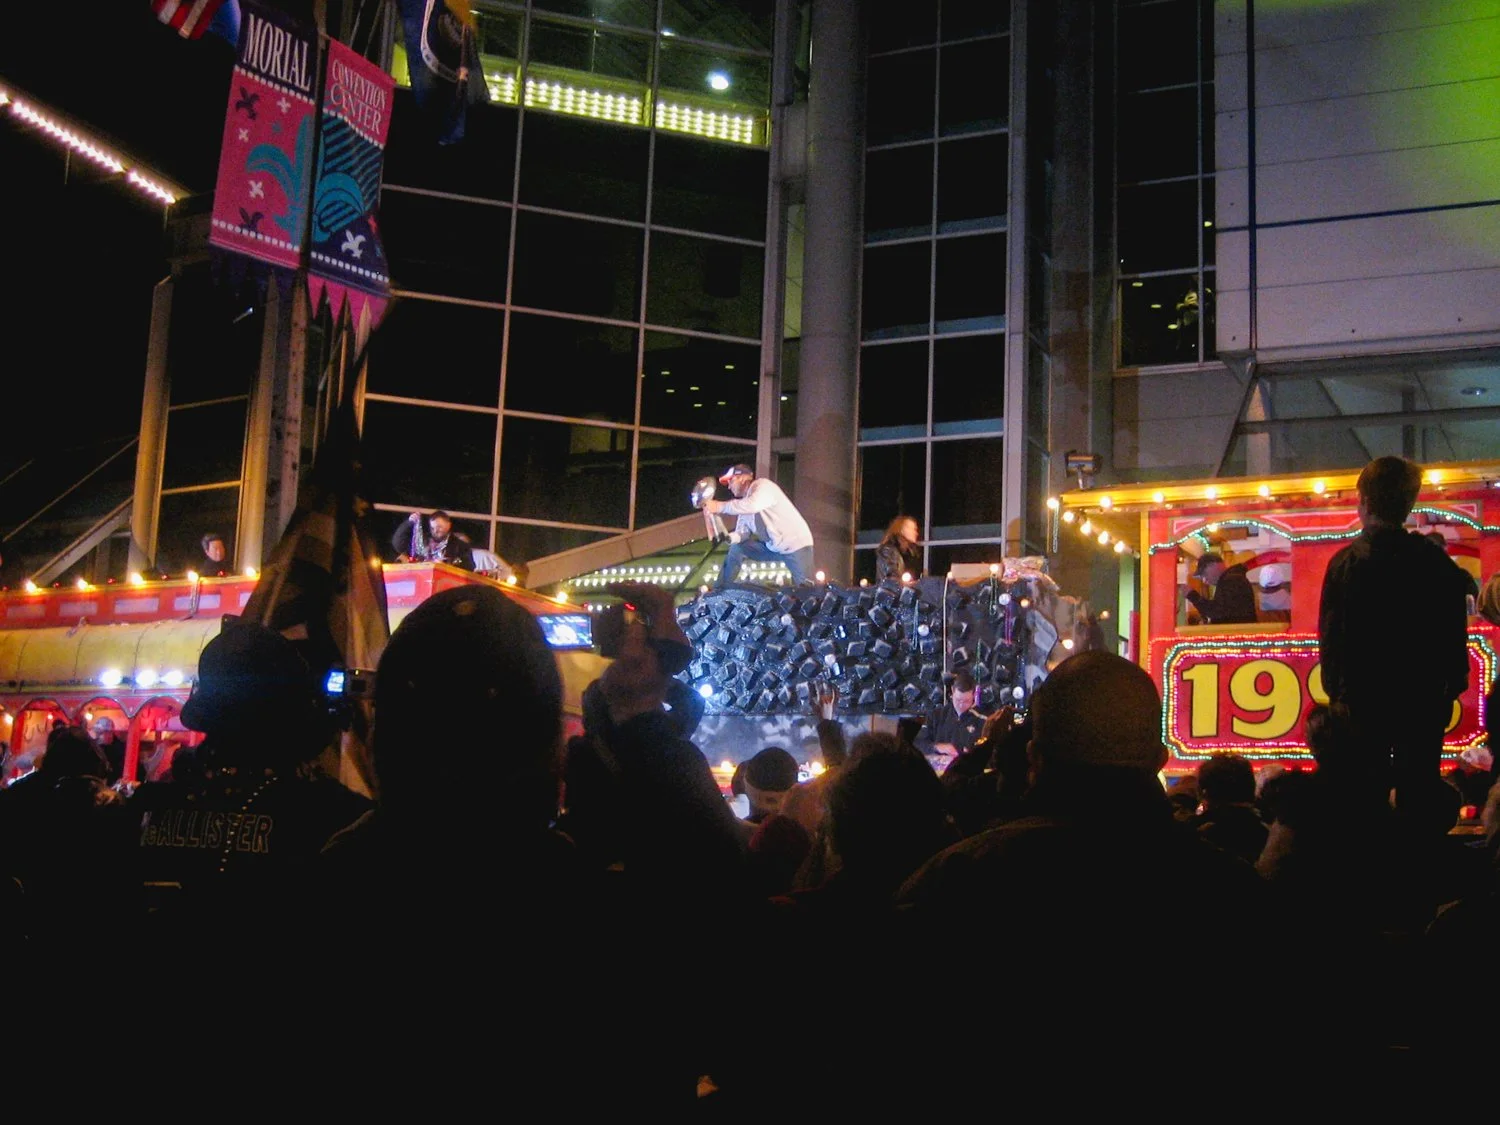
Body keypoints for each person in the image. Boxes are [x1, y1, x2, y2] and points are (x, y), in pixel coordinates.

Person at [1319, 456, 1470, 812]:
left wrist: (1337, 693)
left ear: (1364, 501)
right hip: (1422, 695)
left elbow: (1331, 639)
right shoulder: (1435, 562)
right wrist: (1449, 685)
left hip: (1361, 697)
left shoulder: (1345, 564)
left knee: (1364, 796)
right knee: (1418, 790)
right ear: (1409, 502)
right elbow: (1453, 635)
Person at [701, 464, 815, 587]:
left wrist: (719, 506)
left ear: (743, 478)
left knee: (806, 591)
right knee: (737, 547)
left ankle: (811, 594)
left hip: (796, 545)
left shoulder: (763, 486)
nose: (729, 486)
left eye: (731, 481)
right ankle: (721, 588)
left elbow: (753, 505)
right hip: (773, 548)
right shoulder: (745, 504)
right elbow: (743, 533)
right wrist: (728, 538)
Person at [914, 671, 986, 761]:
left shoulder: (983, 720)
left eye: (966, 701)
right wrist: (937, 747)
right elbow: (918, 743)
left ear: (974, 696)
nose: (961, 705)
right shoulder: (936, 715)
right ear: (952, 691)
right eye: (958, 700)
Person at [1186, 552, 1257, 625]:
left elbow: (1218, 612)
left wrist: (1193, 596)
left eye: (1204, 574)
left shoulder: (1231, 580)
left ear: (1212, 564)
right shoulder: (1231, 578)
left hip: (1238, 630)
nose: (1204, 580)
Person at [392, 509, 475, 570]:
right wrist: (408, 523)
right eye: (432, 528)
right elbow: (398, 545)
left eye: (439, 527)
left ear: (448, 525)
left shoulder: (460, 546)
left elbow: (469, 567)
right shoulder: (422, 542)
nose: (435, 531)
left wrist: (446, 567)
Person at [875, 515, 922, 583]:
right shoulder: (889, 550)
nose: (916, 533)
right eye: (911, 529)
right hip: (890, 588)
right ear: (901, 530)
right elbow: (890, 575)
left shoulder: (912, 553)